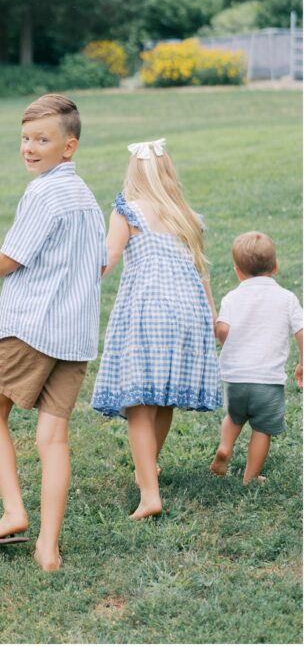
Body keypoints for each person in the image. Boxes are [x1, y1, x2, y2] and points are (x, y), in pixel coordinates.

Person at [0, 94, 106, 573]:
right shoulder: (86, 199)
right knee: (53, 438)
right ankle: (47, 548)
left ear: (69, 146)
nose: (30, 148)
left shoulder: (44, 193)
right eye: (25, 138)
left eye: (43, 139)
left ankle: (15, 511)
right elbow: (97, 265)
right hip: (75, 336)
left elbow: (13, 255)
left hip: (32, 327)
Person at [90, 138, 221, 519]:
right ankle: (149, 467)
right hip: (188, 314)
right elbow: (202, 273)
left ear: (134, 174)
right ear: (168, 173)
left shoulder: (128, 211)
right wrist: (211, 317)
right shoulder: (188, 217)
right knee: (162, 397)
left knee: (138, 404)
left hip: (149, 310)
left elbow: (109, 257)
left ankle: (150, 494)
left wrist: (78, 282)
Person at [210, 231, 303, 484]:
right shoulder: (287, 298)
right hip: (267, 381)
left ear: (237, 271)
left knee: (235, 416)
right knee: (262, 430)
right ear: (276, 266)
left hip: (235, 379)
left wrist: (218, 327)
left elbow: (223, 332)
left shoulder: (232, 297)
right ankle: (251, 476)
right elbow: (301, 331)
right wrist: (302, 362)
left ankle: (225, 447)